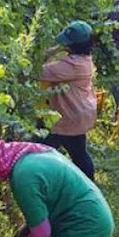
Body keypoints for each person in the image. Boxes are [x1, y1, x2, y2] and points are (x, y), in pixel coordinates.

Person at [38, 21, 98, 179]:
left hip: (69, 117)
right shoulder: (84, 59)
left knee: (39, 149)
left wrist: (47, 53)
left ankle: (43, 179)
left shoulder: (71, 66)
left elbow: (37, 71)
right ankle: (89, 184)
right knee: (78, 152)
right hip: (79, 114)